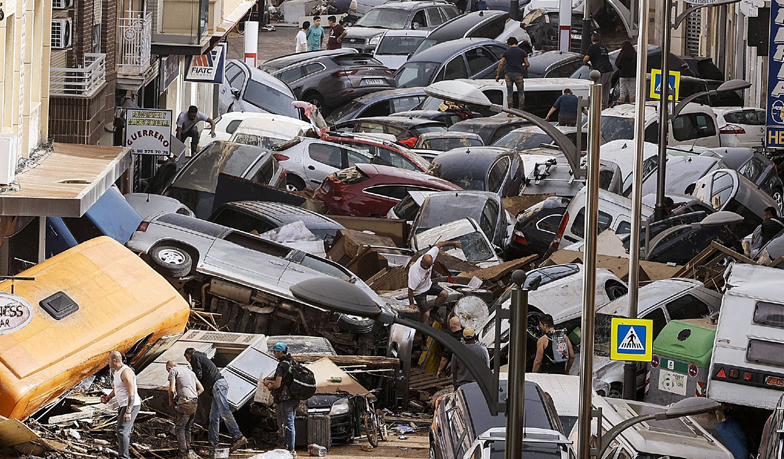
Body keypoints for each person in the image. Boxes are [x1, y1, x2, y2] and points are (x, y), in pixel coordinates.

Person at [183, 348, 247, 454]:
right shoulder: (202, 356)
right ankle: (213, 443)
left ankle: (238, 436)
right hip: (218, 385)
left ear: (187, 355)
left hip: (217, 386)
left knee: (224, 412)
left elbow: (198, 375)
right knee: (214, 417)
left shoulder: (194, 358)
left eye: (186, 358)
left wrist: (191, 385)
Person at [408, 240, 463, 324]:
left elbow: (440, 244)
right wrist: (411, 303)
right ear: (422, 262)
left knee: (444, 294)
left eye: (429, 267)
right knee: (426, 314)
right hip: (418, 292)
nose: (427, 269)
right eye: (426, 267)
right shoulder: (415, 273)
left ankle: (434, 312)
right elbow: (410, 290)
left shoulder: (430, 256)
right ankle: (425, 333)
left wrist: (453, 243)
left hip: (428, 285)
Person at [101, 351, 142, 459]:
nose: (107, 362)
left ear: (115, 360)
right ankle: (124, 454)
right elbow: (117, 388)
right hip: (123, 405)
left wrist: (128, 411)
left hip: (131, 405)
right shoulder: (117, 372)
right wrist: (108, 397)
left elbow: (131, 393)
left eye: (109, 359)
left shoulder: (126, 372)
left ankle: (124, 457)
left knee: (121, 431)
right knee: (124, 431)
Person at [263, 343, 299, 458]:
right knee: (290, 421)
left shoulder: (281, 365)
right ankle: (287, 445)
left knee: (288, 423)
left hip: (286, 398)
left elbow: (278, 384)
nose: (274, 354)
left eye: (275, 352)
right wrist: (270, 379)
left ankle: (291, 449)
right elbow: (284, 379)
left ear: (279, 352)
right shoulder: (292, 362)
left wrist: (269, 386)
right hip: (295, 397)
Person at [167, 361, 204, 459]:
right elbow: (201, 389)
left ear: (169, 368)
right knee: (188, 427)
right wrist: (192, 396)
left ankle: (182, 454)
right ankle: (189, 449)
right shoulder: (190, 372)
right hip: (194, 402)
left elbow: (171, 389)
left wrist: (171, 400)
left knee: (179, 428)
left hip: (185, 404)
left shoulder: (173, 371)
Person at [495, 37, 530, 113]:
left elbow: (501, 63)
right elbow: (527, 64)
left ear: (509, 43)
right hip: (518, 73)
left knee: (509, 92)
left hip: (508, 73)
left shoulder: (506, 52)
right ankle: (521, 110)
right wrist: (523, 67)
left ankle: (511, 111)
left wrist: (497, 75)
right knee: (520, 92)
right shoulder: (522, 52)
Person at [583, 34, 613, 109]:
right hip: (609, 69)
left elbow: (586, 58)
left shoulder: (592, 47)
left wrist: (585, 63)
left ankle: (598, 107)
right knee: (606, 89)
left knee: (599, 89)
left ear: (592, 40)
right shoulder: (604, 48)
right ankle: (605, 106)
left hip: (601, 70)